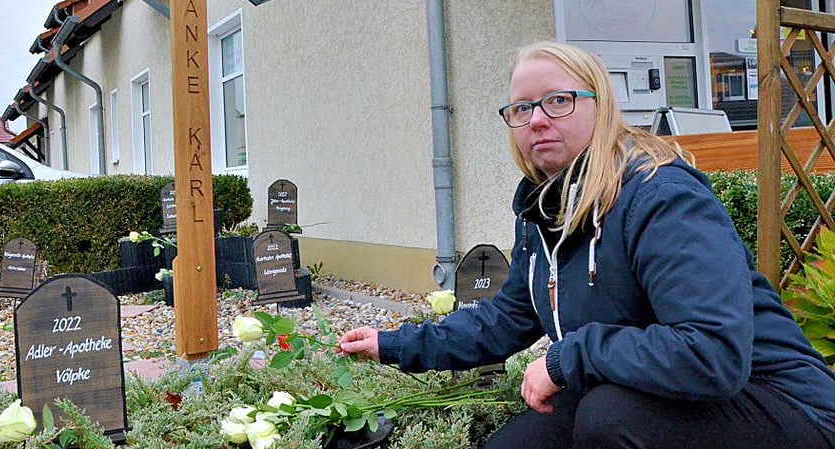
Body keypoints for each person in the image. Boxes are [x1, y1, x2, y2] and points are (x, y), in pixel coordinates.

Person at [338, 41, 835, 449]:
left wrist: (566, 358)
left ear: (601, 107)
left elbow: (713, 352)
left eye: (558, 101)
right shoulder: (545, 211)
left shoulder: (662, 198)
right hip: (660, 397)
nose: (536, 119)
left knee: (609, 418)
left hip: (779, 404)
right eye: (521, 108)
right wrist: (395, 343)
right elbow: (507, 319)